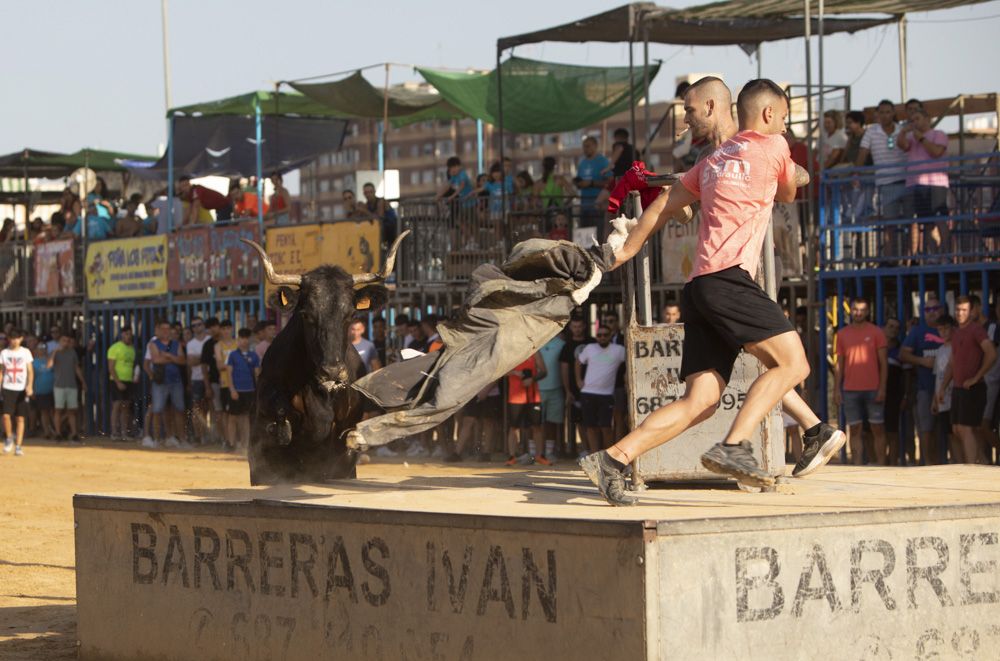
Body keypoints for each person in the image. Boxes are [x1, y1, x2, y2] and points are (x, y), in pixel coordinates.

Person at [585, 78, 845, 505]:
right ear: (767, 116)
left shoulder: (708, 164)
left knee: (701, 400)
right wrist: (794, 169)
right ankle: (736, 445)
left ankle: (612, 460)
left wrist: (622, 253)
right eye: (782, 118)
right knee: (794, 364)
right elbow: (788, 189)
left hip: (700, 288)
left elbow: (658, 211)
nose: (784, 126)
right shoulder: (774, 145)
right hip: (730, 280)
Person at [939, 296, 997, 463]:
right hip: (958, 387)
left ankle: (972, 468)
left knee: (966, 428)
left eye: (964, 310)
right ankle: (983, 462)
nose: (960, 313)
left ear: (972, 311)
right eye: (957, 310)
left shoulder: (976, 330)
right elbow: (952, 363)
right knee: (957, 429)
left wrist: (976, 377)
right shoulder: (956, 333)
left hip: (973, 388)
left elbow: (992, 354)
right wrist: (943, 387)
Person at [834, 298, 888, 465]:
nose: (858, 313)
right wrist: (837, 389)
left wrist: (882, 388)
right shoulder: (842, 334)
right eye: (855, 309)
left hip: (873, 388)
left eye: (862, 309)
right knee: (854, 428)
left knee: (877, 428)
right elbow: (839, 364)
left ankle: (881, 465)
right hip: (850, 389)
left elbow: (884, 364)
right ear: (851, 310)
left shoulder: (876, 332)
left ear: (867, 312)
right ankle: (857, 464)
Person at [897, 107, 950, 256]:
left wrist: (921, 138)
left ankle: (945, 254)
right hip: (916, 184)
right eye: (912, 120)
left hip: (936, 182)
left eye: (917, 119)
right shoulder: (911, 138)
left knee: (940, 219)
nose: (915, 123)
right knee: (926, 222)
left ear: (928, 119)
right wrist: (902, 132)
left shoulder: (938, 134)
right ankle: (932, 254)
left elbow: (936, 152)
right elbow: (902, 146)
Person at [856, 100, 907, 254]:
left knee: (912, 222)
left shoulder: (902, 130)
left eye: (888, 112)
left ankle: (911, 257)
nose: (885, 115)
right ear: (877, 115)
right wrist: (856, 173)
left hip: (907, 180)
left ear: (893, 114)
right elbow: (863, 153)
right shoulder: (871, 132)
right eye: (882, 112)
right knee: (889, 223)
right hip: (886, 183)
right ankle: (890, 257)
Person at [900, 294, 945, 464]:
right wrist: (922, 361)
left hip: (948, 389)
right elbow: (903, 354)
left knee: (950, 430)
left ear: (942, 310)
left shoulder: (950, 329)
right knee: (926, 430)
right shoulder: (918, 331)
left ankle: (950, 463)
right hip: (925, 389)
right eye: (927, 309)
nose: (931, 312)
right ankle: (929, 464)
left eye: (935, 308)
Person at [576, 325, 627, 455]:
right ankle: (594, 455)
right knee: (591, 426)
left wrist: (627, 379)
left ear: (610, 336)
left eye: (605, 335)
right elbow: (578, 362)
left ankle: (608, 456)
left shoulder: (619, 350)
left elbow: (631, 361)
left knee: (606, 427)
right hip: (588, 393)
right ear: (596, 337)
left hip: (606, 394)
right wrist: (578, 381)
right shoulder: (589, 348)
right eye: (599, 335)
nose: (602, 337)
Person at [505, 353, 549, 466]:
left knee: (537, 426)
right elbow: (500, 371)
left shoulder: (535, 351)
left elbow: (544, 371)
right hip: (516, 396)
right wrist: (515, 372)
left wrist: (532, 379)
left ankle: (539, 455)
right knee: (513, 427)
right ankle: (512, 456)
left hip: (533, 395)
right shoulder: (512, 352)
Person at [149, 320, 186, 448]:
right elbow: (156, 360)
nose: (165, 331)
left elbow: (182, 361)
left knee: (179, 410)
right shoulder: (153, 344)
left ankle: (181, 439)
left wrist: (168, 355)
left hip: (176, 381)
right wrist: (173, 358)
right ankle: (157, 440)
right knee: (157, 410)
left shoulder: (176, 344)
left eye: (167, 329)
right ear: (158, 330)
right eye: (163, 329)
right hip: (161, 381)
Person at [559, 316, 592, 458]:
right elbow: (564, 369)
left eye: (579, 326)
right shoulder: (567, 346)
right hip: (575, 389)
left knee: (592, 421)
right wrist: (567, 390)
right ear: (570, 328)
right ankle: (585, 450)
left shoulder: (592, 343)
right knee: (579, 421)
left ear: (584, 326)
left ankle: (595, 450)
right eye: (574, 326)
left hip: (594, 388)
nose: (577, 329)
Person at [225, 328, 261, 452]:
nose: (244, 341)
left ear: (249, 340)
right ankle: (231, 443)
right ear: (238, 340)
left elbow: (257, 374)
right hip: (237, 390)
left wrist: (258, 391)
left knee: (245, 417)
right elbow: (229, 373)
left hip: (249, 390)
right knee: (232, 417)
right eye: (241, 338)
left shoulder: (254, 355)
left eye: (246, 338)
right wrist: (232, 389)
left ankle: (244, 444)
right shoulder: (232, 355)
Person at [931, 315, 960, 462]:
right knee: (949, 434)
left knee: (959, 432)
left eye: (947, 328)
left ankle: (965, 463)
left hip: (955, 396)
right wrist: (934, 400)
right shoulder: (941, 350)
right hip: (942, 399)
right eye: (940, 329)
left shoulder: (958, 347)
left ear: (953, 328)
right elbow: (937, 377)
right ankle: (956, 463)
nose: (944, 332)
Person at [1, 329, 34, 456]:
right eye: (12, 338)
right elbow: (1, 371)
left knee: (20, 417)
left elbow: (30, 371)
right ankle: (9, 437)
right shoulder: (4, 353)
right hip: (8, 387)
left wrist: (29, 386)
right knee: (6, 415)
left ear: (21, 339)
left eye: (17, 338)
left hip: (21, 388)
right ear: (9, 339)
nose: (14, 341)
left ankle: (19, 445)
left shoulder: (25, 352)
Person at [48, 334, 84, 442]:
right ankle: (58, 433)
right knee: (58, 410)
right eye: (63, 340)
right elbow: (49, 365)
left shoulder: (72, 352)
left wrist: (83, 382)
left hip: (71, 385)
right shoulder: (55, 352)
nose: (66, 343)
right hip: (59, 385)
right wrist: (55, 352)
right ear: (59, 341)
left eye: (68, 341)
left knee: (72, 410)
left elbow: (76, 368)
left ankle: (74, 433)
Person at [537, 333, 566, 464]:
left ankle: (548, 452)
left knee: (552, 423)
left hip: (556, 388)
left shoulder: (561, 344)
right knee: (536, 423)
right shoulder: (534, 342)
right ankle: (535, 453)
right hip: (536, 389)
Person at [107, 327, 136, 442]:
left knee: (126, 407)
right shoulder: (115, 348)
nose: (128, 336)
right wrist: (118, 382)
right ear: (122, 334)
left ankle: (124, 432)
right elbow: (111, 367)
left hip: (128, 380)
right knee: (117, 406)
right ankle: (114, 432)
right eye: (126, 334)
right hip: (116, 380)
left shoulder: (132, 349)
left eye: (130, 334)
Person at [574, 136, 610, 228]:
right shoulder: (582, 163)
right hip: (584, 205)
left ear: (595, 146)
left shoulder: (603, 162)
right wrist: (578, 183)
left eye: (588, 146)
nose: (585, 149)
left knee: (598, 235)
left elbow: (610, 182)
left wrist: (591, 183)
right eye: (584, 146)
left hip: (598, 206)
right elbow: (580, 180)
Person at [214, 320, 239, 450]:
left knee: (239, 414)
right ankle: (228, 440)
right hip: (225, 382)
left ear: (232, 329)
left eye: (228, 328)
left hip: (239, 382)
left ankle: (237, 440)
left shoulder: (237, 343)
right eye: (223, 329)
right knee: (226, 413)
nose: (226, 331)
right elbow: (219, 366)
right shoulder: (218, 346)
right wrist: (235, 364)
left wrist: (229, 365)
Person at [199, 318, 224, 445]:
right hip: (215, 381)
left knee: (230, 413)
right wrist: (207, 386)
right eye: (210, 327)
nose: (213, 329)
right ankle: (221, 438)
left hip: (230, 383)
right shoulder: (208, 345)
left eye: (215, 326)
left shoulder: (229, 342)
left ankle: (229, 438)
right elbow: (204, 367)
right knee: (218, 411)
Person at [185, 318, 210, 445]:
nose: (196, 327)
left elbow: (198, 361)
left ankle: (210, 436)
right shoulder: (191, 344)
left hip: (211, 378)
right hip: (196, 379)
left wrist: (198, 358)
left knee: (211, 408)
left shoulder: (209, 340)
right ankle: (199, 437)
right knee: (197, 410)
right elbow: (190, 362)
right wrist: (205, 358)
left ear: (204, 325)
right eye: (194, 326)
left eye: (199, 324)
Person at [30, 344, 55, 439]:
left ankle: (57, 431)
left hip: (52, 390)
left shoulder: (50, 360)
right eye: (40, 349)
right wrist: (31, 390)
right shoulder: (33, 362)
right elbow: (31, 377)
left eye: (43, 349)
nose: (42, 350)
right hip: (40, 390)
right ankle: (47, 432)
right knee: (44, 412)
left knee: (53, 412)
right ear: (36, 350)